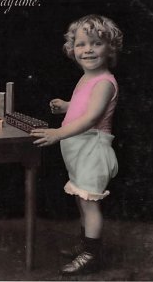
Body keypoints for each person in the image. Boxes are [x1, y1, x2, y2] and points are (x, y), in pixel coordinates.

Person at [30, 14, 123, 275]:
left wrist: (58, 133)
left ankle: (92, 254)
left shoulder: (104, 82)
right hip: (79, 150)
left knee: (89, 203)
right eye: (81, 44)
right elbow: (85, 107)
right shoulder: (87, 78)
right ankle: (86, 244)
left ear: (110, 48)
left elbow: (93, 117)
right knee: (82, 200)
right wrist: (67, 107)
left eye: (96, 43)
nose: (88, 50)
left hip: (92, 150)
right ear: (72, 49)